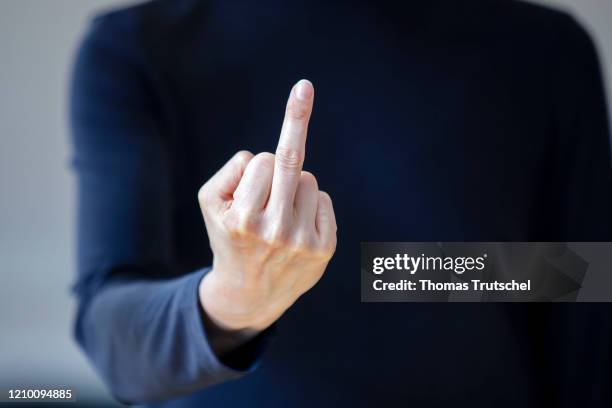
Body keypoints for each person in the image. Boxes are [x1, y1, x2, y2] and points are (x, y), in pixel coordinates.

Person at [70, 0, 612, 406]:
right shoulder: (138, 51)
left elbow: (578, 292)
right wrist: (236, 299)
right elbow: (113, 338)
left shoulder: (545, 51)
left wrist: (393, 272)